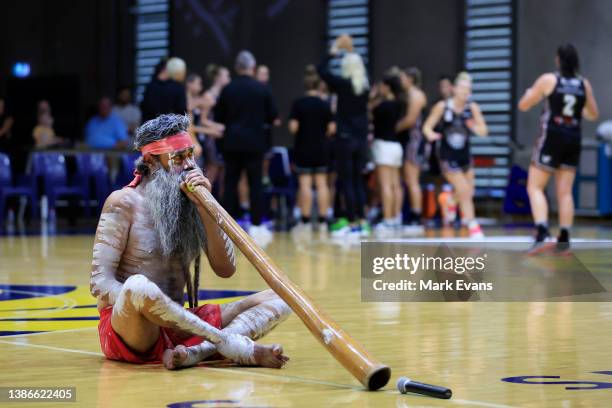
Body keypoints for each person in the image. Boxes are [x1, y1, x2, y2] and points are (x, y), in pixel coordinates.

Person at [91, 113, 291, 369]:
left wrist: (207, 208)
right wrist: (153, 307)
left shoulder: (191, 202)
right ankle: (231, 345)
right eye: (178, 158)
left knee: (284, 295)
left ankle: (197, 352)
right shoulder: (123, 202)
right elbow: (99, 281)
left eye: (190, 155)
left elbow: (226, 270)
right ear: (151, 160)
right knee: (138, 286)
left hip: (181, 324)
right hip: (132, 330)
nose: (188, 166)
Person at [518, 44, 599, 254]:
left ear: (558, 60)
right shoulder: (584, 83)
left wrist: (529, 93)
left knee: (534, 186)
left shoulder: (549, 80)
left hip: (552, 136)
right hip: (573, 137)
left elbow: (524, 105)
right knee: (565, 192)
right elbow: (592, 114)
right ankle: (564, 239)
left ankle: (543, 232)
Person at [215, 50, 279, 244]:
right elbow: (273, 116)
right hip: (255, 144)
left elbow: (219, 118)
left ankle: (226, 226)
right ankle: (257, 224)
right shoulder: (262, 89)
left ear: (236, 67)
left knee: (231, 183)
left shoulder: (228, 89)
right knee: (256, 184)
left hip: (232, 143)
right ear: (252, 67)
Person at [422, 72, 488, 238]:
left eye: (469, 89)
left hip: (464, 155)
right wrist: (430, 134)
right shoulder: (442, 107)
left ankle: (450, 201)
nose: (466, 92)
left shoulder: (472, 108)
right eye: (463, 88)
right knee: (464, 190)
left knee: (469, 190)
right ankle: (473, 225)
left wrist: (473, 126)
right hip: (447, 155)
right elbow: (427, 127)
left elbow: (483, 130)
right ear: (455, 89)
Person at [317, 35, 370, 237]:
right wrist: (350, 50)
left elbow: (321, 70)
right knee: (358, 181)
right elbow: (359, 64)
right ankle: (363, 222)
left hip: (345, 138)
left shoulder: (342, 84)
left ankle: (352, 222)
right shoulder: (364, 87)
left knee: (347, 180)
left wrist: (334, 50)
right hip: (361, 139)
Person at [288, 65, 336, 233]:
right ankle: (323, 220)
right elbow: (332, 129)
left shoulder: (298, 104)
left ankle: (306, 220)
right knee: (322, 184)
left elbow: (293, 128)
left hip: (304, 148)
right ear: (318, 85)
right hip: (322, 148)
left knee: (305, 185)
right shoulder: (325, 105)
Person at [371, 73, 405, 236]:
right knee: (395, 184)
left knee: (385, 185)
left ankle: (387, 218)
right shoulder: (400, 104)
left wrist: (373, 97)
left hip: (383, 145)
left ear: (387, 87)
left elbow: (370, 112)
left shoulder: (382, 106)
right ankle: (396, 217)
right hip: (396, 145)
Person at [396, 67, 428, 230]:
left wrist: (392, 128)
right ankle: (408, 214)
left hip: (415, 141)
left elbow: (410, 120)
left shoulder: (416, 95)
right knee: (407, 180)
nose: (400, 82)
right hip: (409, 140)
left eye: (402, 78)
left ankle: (416, 216)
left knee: (412, 179)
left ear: (410, 79)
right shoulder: (408, 95)